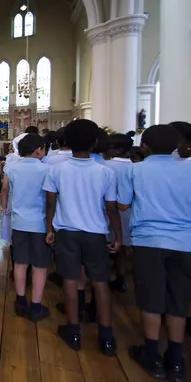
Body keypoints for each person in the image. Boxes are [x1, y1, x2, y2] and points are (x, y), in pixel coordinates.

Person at [118, 124, 191, 382]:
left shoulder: (136, 170)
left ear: (144, 146)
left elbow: (123, 204)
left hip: (148, 241)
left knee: (151, 298)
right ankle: (176, 358)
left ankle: (152, 353)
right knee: (177, 300)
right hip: (184, 243)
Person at [43, 119, 121, 356]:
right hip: (96, 232)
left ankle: (74, 330)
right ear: (96, 142)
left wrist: (49, 229)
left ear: (66, 141)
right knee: (100, 282)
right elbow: (111, 209)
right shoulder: (105, 172)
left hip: (67, 231)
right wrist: (118, 236)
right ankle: (106, 338)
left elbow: (50, 203)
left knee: (71, 279)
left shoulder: (56, 170)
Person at [2, 134, 51, 322]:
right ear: (38, 150)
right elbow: (50, 197)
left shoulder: (11, 168)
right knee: (39, 266)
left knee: (20, 263)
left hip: (19, 222)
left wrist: (5, 206)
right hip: (40, 223)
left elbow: (5, 188)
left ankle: (21, 301)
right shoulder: (47, 169)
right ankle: (36, 306)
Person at [103, 133, 134, 293]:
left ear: (117, 150)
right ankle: (121, 278)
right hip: (127, 214)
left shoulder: (106, 167)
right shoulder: (134, 166)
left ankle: (103, 278)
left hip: (107, 212)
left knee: (105, 246)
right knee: (121, 247)